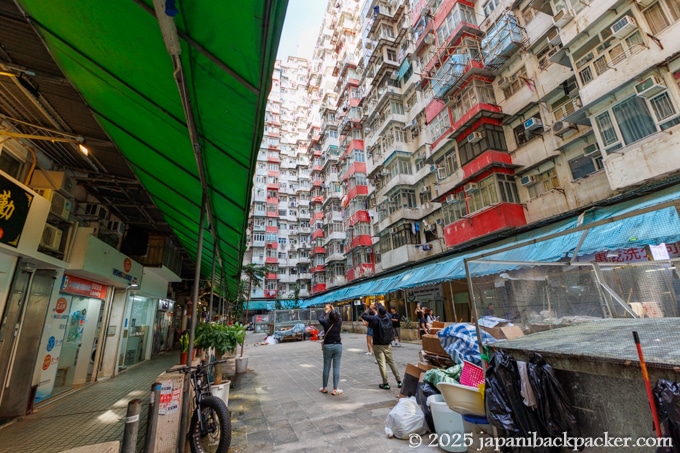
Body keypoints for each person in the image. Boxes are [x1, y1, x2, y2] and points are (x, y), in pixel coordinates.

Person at [362, 305, 402, 390]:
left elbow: (363, 315)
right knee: (392, 362)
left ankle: (385, 383)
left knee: (382, 364)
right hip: (387, 343)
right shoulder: (389, 316)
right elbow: (384, 311)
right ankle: (399, 381)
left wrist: (369, 308)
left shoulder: (375, 319)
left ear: (378, 312)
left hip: (378, 344)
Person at [318, 303, 343, 395]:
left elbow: (320, 318)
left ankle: (324, 387)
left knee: (326, 367)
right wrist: (333, 310)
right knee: (336, 367)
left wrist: (326, 311)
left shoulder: (326, 323)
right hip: (338, 346)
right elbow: (339, 316)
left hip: (327, 346)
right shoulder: (339, 322)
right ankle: (335, 389)